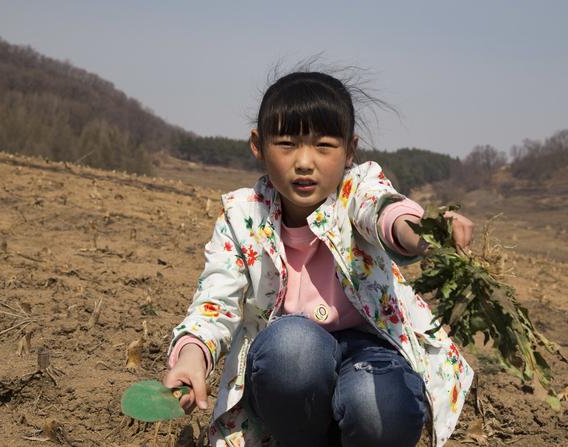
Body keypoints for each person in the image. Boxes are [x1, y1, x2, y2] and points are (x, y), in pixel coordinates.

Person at [163, 70, 474, 447]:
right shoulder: (242, 216)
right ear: (258, 146)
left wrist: (425, 232)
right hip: (288, 365)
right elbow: (216, 301)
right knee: (293, 348)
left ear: (350, 150)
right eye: (287, 144)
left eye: (324, 146)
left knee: (378, 407)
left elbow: (385, 213)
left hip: (371, 348)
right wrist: (192, 354)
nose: (305, 162)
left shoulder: (357, 190)